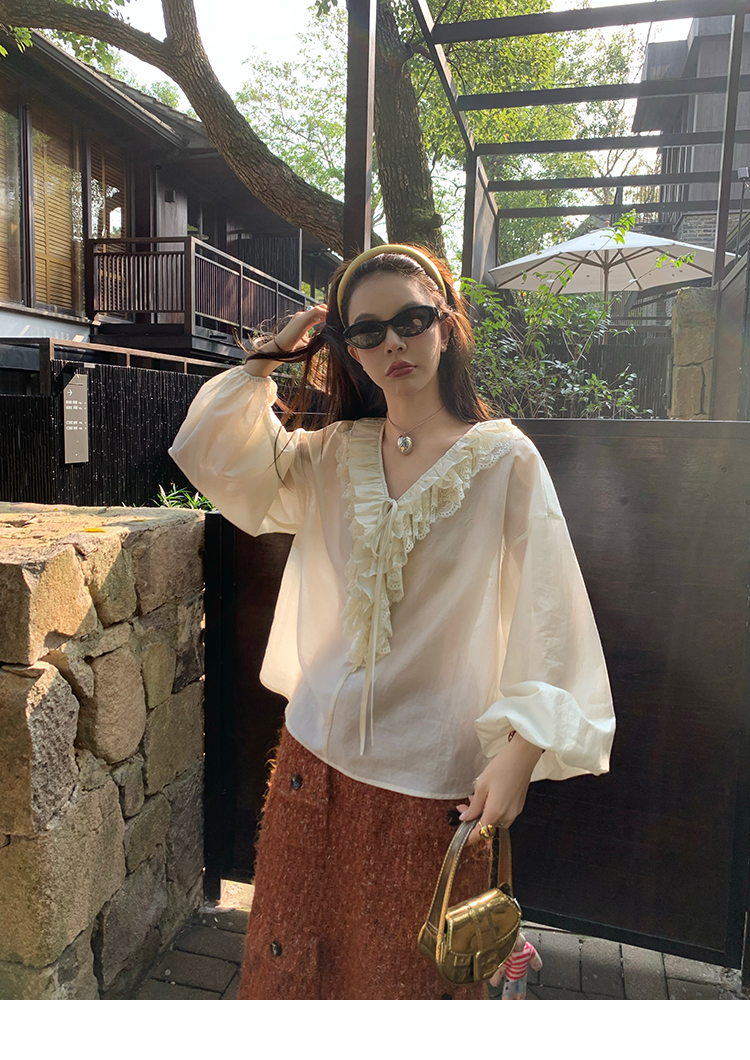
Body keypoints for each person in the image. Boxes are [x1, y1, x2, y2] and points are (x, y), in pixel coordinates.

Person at [169, 243, 615, 1001]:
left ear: (447, 322)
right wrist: (269, 356)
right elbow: (214, 453)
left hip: (431, 782)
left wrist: (523, 749)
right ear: (347, 347)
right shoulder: (333, 454)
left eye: (411, 320)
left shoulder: (504, 461)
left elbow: (553, 610)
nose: (392, 344)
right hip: (311, 762)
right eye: (366, 331)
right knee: (291, 975)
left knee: (403, 987)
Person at [487, 932, 543, 1000]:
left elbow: (501, 969)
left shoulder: (510, 955)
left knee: (508, 993)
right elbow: (535, 959)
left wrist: (494, 980)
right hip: (522, 975)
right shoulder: (528, 948)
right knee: (521, 990)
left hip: (511, 978)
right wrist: (537, 966)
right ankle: (519, 997)